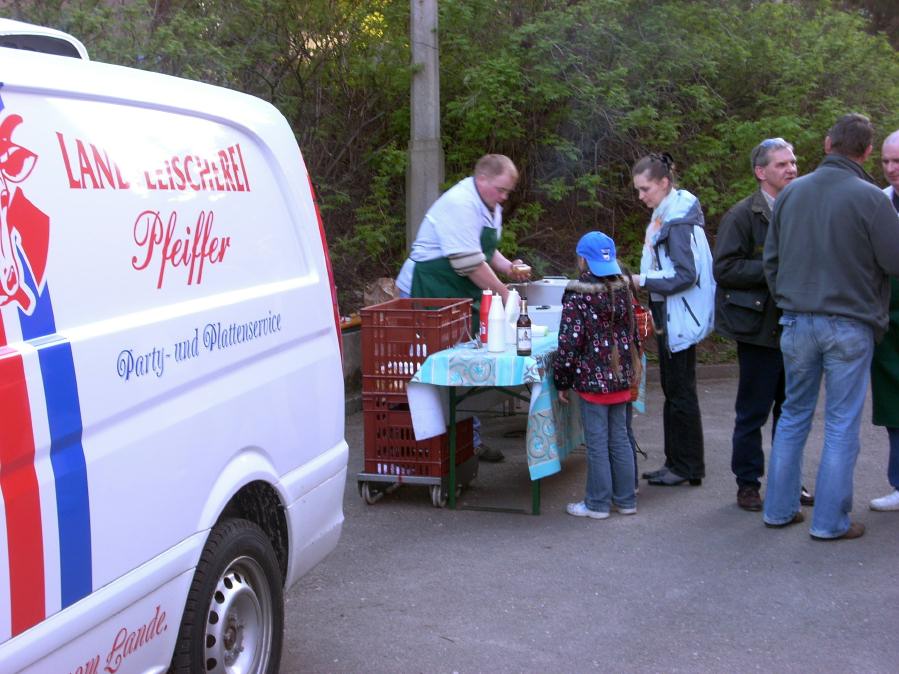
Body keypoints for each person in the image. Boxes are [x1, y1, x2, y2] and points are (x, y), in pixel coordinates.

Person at [762, 113, 899, 540]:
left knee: (792, 418)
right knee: (841, 425)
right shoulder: (873, 199)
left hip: (797, 322)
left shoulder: (790, 194)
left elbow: (771, 261)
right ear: (867, 151)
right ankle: (829, 522)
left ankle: (779, 510)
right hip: (851, 325)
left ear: (826, 143)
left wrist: (790, 299)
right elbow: (895, 263)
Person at [396, 154, 531, 461]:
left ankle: (468, 441)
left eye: (508, 192)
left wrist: (509, 267)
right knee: (433, 368)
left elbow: (486, 250)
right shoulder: (459, 203)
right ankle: (431, 445)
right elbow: (468, 262)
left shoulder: (489, 205)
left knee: (463, 363)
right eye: (501, 189)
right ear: (481, 179)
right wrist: (504, 293)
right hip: (426, 289)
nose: (504, 197)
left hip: (454, 292)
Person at [713, 138, 814, 511]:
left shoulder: (805, 208)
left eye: (793, 162)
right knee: (753, 412)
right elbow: (724, 269)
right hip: (759, 331)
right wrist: (776, 269)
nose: (791, 169)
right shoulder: (743, 215)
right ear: (761, 172)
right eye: (781, 164)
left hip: (799, 327)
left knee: (793, 412)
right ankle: (748, 484)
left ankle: (790, 482)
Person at [630, 153, 715, 487]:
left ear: (664, 184)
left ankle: (688, 467)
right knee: (674, 389)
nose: (641, 196)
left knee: (680, 392)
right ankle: (677, 462)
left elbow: (685, 275)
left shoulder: (677, 222)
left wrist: (641, 281)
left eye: (645, 189)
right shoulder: (667, 215)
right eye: (638, 190)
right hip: (671, 313)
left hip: (679, 316)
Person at [554, 231, 640, 518]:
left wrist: (562, 381)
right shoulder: (624, 288)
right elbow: (634, 334)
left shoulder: (577, 295)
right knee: (620, 439)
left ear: (582, 260)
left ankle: (597, 504)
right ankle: (626, 500)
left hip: (592, 381)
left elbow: (569, 342)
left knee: (597, 444)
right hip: (623, 375)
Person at [869, 129, 899, 511]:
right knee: (895, 406)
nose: (891, 169)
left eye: (898, 163)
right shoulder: (877, 202)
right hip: (888, 319)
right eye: (886, 162)